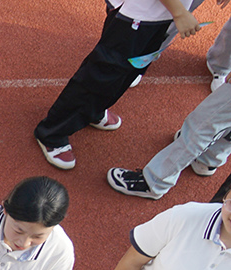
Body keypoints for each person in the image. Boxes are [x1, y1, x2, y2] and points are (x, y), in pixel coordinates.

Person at [33, 0, 203, 171]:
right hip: (139, 14)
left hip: (159, 16)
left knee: (126, 72)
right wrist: (180, 13)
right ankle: (52, 132)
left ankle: (94, 110)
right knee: (102, 75)